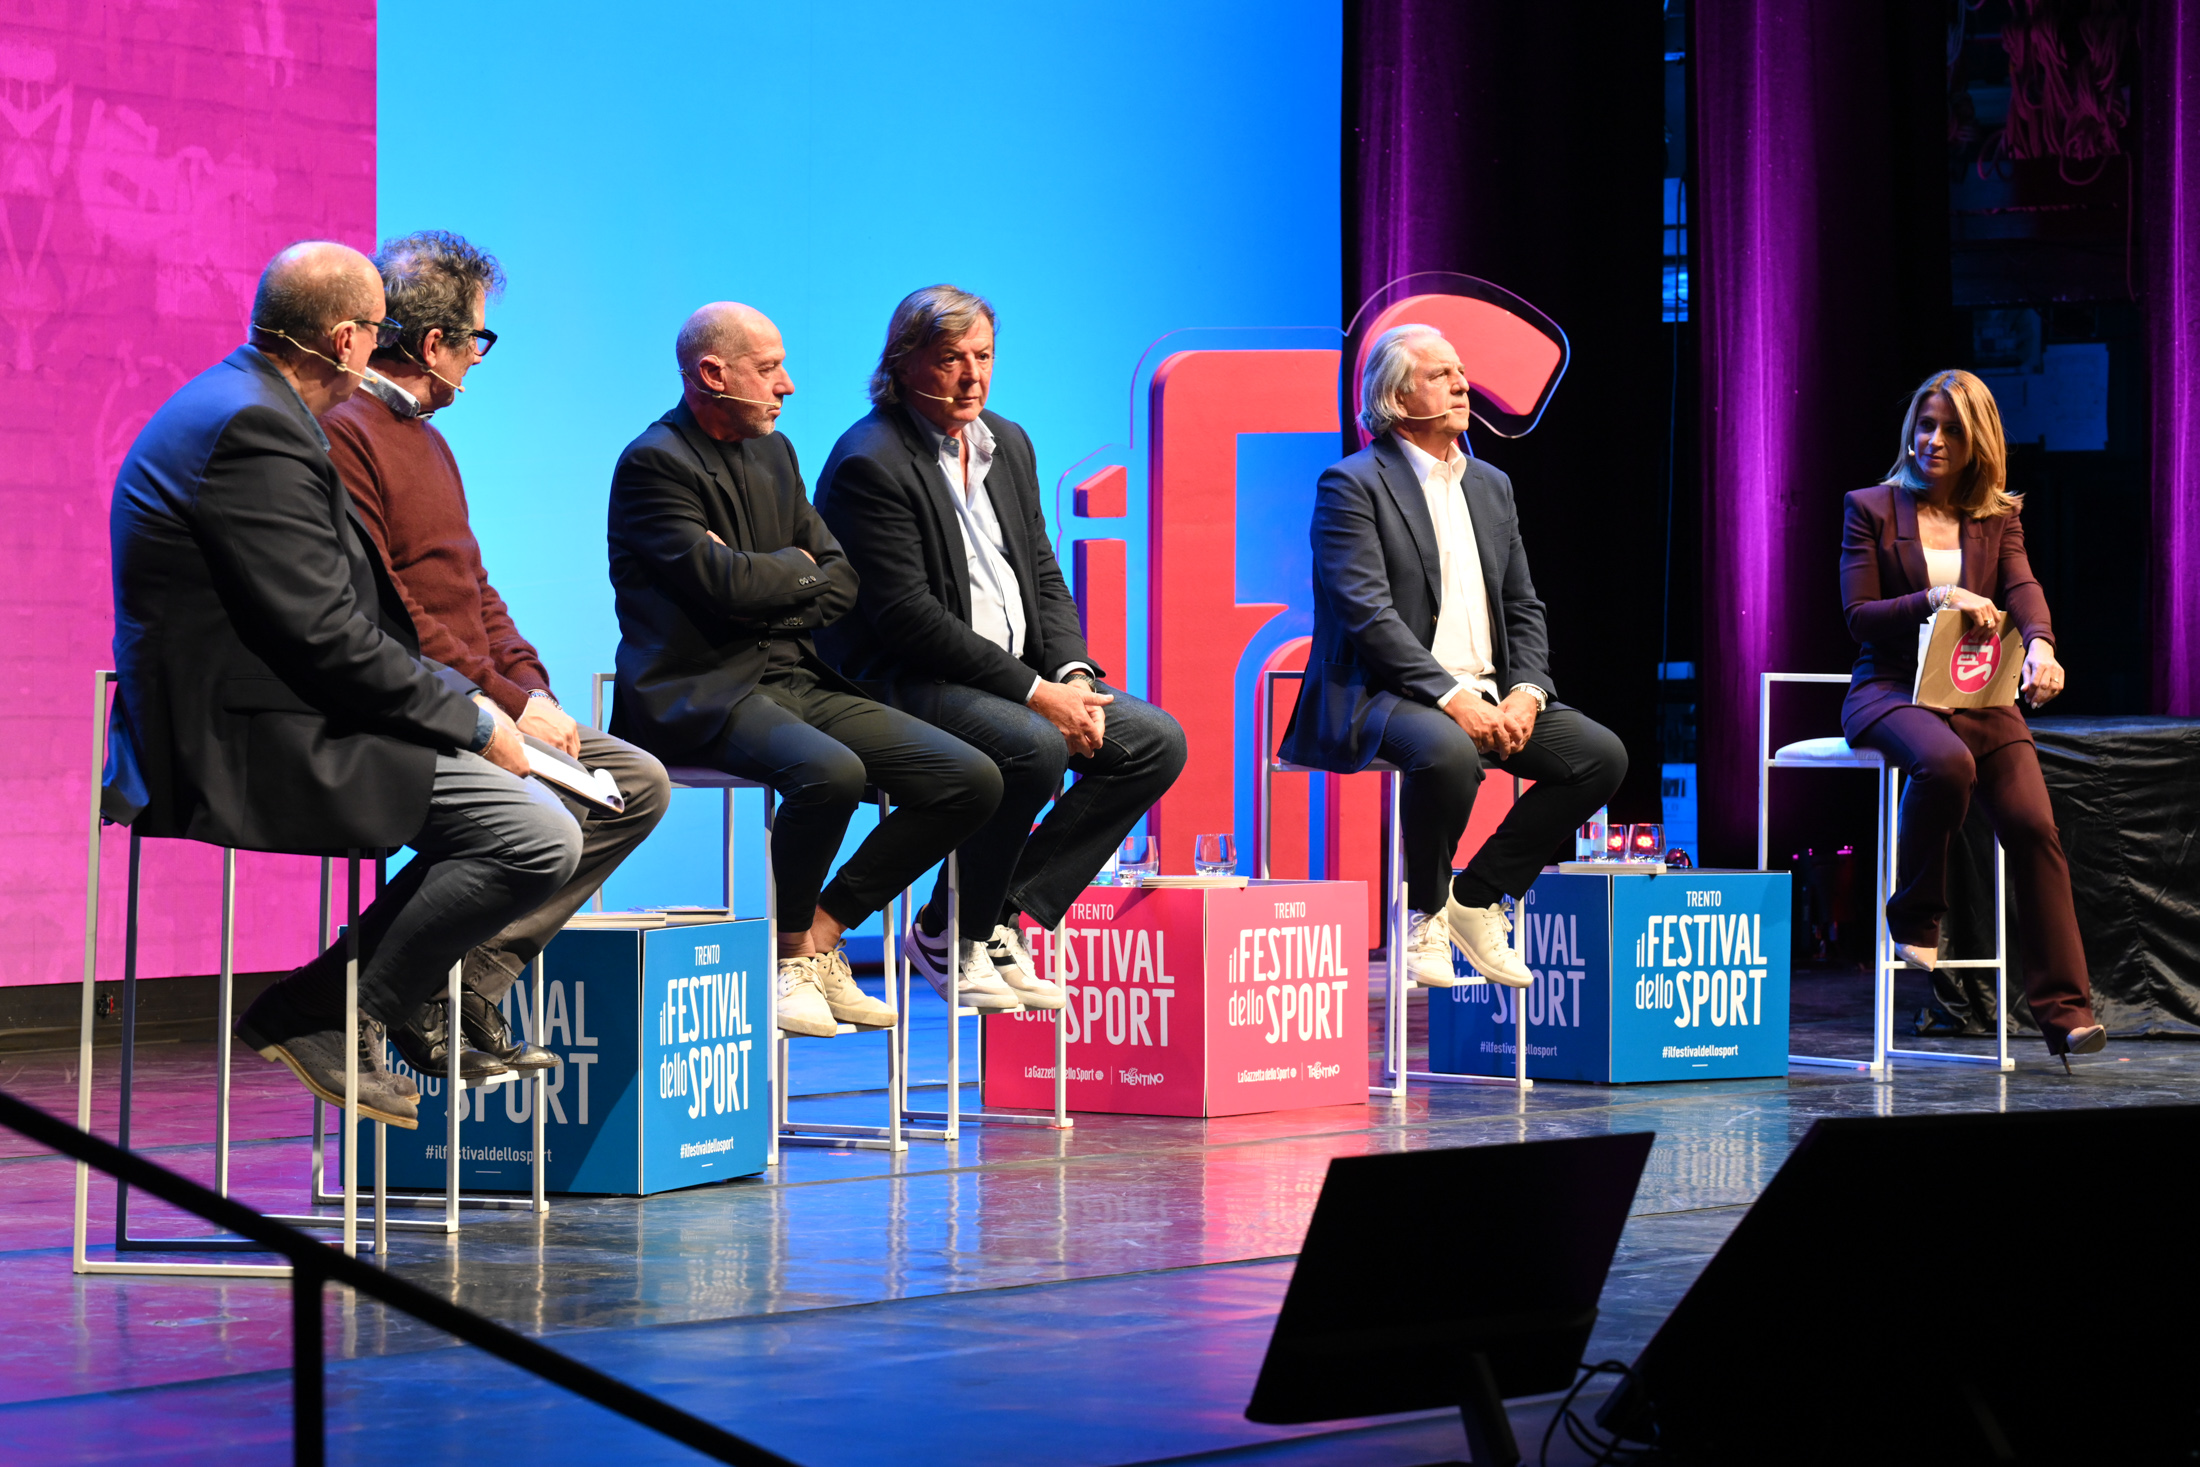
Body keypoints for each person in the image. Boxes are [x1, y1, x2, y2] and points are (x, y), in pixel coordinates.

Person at [106, 241, 581, 1129]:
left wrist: (485, 702)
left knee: (557, 811)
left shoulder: (259, 406)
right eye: (376, 333)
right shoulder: (256, 426)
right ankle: (324, 1008)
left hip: (296, 703)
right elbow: (325, 632)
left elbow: (357, 616)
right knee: (532, 835)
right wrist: (472, 718)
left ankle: (371, 1003)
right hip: (244, 732)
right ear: (350, 338)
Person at [323, 230, 671, 1082]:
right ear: (435, 344)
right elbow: (394, 615)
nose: (480, 359)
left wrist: (533, 690)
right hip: (416, 702)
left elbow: (476, 589)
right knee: (535, 825)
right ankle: (385, 992)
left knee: (636, 786)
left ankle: (470, 976)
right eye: (476, 339)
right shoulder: (346, 432)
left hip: (484, 695)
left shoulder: (432, 441)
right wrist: (502, 706)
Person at [606, 302, 1002, 1036]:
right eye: (768, 369)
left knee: (971, 779)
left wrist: (772, 577)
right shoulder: (654, 464)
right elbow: (720, 589)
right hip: (701, 690)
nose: (787, 385)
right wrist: (794, 574)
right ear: (712, 375)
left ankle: (823, 932)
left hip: (792, 679)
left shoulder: (777, 454)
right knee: (832, 774)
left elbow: (842, 581)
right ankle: (784, 957)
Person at [815, 286, 1187, 1009]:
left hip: (1010, 679)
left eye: (983, 356)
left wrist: (1072, 673)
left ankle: (984, 919)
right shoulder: (870, 461)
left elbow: (1040, 571)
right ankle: (957, 931)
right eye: (951, 358)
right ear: (902, 363)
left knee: (1153, 742)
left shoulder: (1005, 441)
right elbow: (909, 620)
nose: (971, 374)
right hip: (903, 679)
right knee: (1034, 746)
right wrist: (1038, 694)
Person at [1278, 323, 1626, 990]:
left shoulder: (1492, 485)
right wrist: (1453, 697)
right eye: (1441, 374)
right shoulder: (1352, 484)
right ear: (1396, 398)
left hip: (1487, 690)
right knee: (1449, 751)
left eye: (1461, 371)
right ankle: (1425, 912)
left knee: (1599, 756)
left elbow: (1524, 606)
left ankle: (1477, 897)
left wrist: (1526, 691)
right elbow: (1366, 614)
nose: (1463, 383)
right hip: (1382, 694)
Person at [1839, 369, 2104, 1060]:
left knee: (2035, 826)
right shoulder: (1870, 507)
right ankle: (1916, 911)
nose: (1933, 439)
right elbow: (1860, 617)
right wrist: (1938, 597)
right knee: (1944, 762)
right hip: (1893, 691)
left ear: (1977, 439)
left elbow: (2022, 585)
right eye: (1925, 425)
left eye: (1950, 428)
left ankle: (2067, 1013)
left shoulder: (1997, 515)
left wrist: (2042, 647)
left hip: (1981, 698)